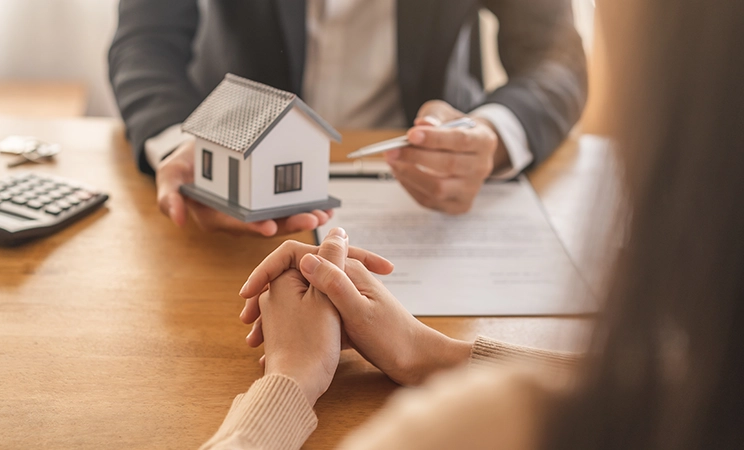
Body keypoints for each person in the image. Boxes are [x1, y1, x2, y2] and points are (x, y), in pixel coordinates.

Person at [198, 0, 744, 448]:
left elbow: (556, 58)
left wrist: (288, 383)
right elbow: (652, 386)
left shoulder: (477, 427)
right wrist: (428, 352)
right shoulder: (699, 386)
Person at [108, 0, 587, 236]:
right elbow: (144, 41)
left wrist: (492, 134)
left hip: (425, 196)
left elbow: (557, 57)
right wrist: (182, 143)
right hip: (240, 176)